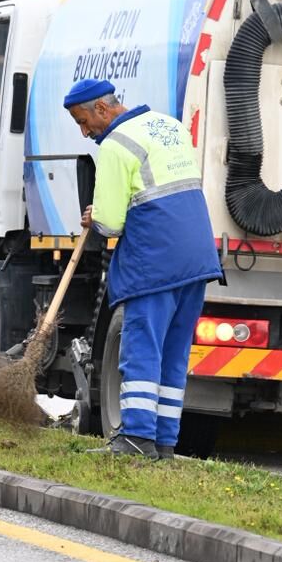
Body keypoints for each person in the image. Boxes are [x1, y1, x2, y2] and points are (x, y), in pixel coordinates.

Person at [66, 78, 220, 460]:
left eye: (83, 121)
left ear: (102, 109)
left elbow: (112, 223)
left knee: (142, 350)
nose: (85, 132)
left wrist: (96, 216)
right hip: (196, 258)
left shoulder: (117, 146)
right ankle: (164, 443)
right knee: (174, 352)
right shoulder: (167, 126)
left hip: (155, 261)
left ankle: (134, 439)